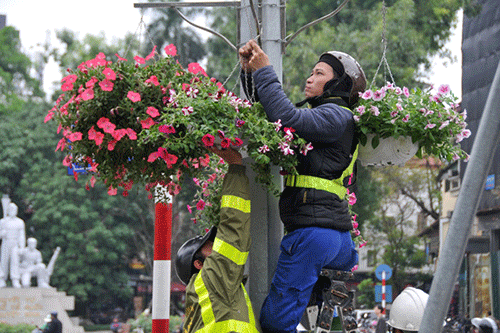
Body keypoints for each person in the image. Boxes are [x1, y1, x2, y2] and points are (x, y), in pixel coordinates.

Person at [239, 40, 365, 332]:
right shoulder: (331, 120)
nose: (310, 78)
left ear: (339, 85)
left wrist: (266, 70)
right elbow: (274, 114)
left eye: (320, 73)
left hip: (313, 236)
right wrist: (252, 73)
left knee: (276, 323)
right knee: (321, 325)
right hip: (334, 237)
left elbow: (288, 118)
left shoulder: (335, 114)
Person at [175, 146, 261, 332]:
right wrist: (235, 166)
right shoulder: (212, 277)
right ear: (199, 264)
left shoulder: (203, 291)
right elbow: (233, 226)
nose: (216, 245)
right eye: (209, 245)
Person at [0, 201, 25, 288]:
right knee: (4, 261)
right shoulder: (2, 221)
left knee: (15, 261)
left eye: (14, 209)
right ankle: (2, 278)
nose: (12, 210)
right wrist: (2, 234)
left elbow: (22, 235)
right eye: (10, 209)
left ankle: (15, 279)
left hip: (15, 243)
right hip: (6, 242)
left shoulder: (20, 222)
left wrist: (22, 247)